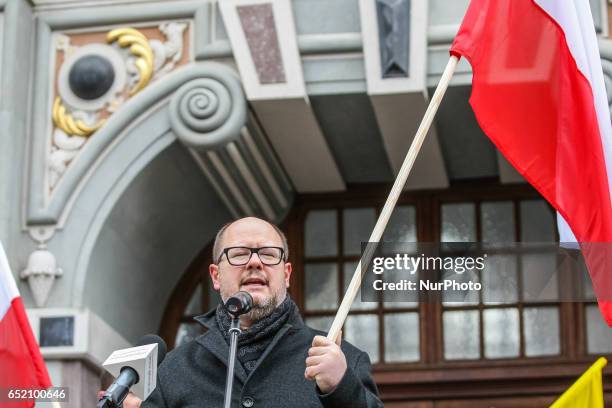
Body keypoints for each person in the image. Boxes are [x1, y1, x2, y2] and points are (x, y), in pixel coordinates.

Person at [117, 217, 383, 407]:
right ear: (216, 275)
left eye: (268, 254)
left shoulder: (341, 361)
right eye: (239, 254)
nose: (255, 262)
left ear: (286, 274)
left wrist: (342, 389)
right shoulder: (174, 370)